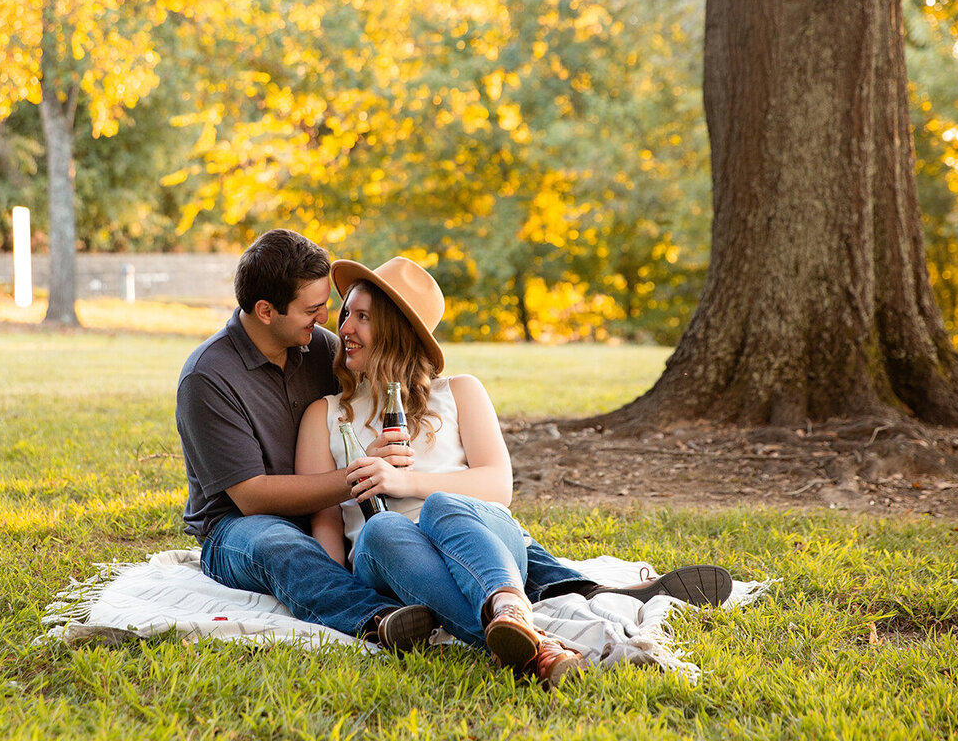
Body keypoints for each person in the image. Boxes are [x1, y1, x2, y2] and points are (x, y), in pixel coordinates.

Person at [296, 256, 732, 687]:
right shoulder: (325, 415)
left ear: (398, 330)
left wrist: (404, 482)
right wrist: (346, 599)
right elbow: (327, 525)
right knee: (382, 528)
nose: (345, 329)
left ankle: (513, 615)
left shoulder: (460, 392)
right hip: (393, 559)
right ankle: (540, 643)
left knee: (445, 507)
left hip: (481, 543)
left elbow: (497, 487)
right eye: (346, 313)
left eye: (363, 317)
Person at [175, 230, 435, 650]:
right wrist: (359, 473)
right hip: (238, 529)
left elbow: (389, 374)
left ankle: (509, 590)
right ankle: (380, 620)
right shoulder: (208, 378)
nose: (327, 318)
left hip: (328, 517)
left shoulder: (320, 348)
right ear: (265, 311)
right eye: (312, 309)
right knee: (278, 543)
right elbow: (252, 497)